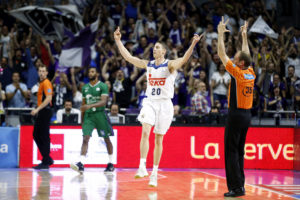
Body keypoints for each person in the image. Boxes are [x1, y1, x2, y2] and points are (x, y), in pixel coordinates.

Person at [114, 26, 202, 187]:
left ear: (163, 52)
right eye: (154, 47)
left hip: (165, 104)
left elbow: (183, 59)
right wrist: (118, 40)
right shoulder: (148, 64)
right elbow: (129, 57)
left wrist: (193, 44)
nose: (154, 49)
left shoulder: (169, 65)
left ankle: (154, 172)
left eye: (157, 47)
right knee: (145, 130)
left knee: (158, 139)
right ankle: (142, 166)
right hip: (150, 102)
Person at [218, 18, 255, 197]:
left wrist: (219, 34)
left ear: (240, 64)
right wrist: (244, 36)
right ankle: (241, 185)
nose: (233, 58)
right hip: (247, 116)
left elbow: (221, 54)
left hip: (235, 114)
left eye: (236, 58)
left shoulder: (238, 74)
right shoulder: (250, 72)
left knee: (231, 151)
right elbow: (246, 54)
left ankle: (235, 187)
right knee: (239, 151)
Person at [70, 67, 115, 174]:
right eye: (89, 72)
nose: (90, 73)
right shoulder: (85, 88)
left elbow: (103, 102)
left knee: (106, 139)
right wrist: (82, 119)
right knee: (85, 138)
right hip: (89, 117)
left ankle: (110, 163)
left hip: (100, 115)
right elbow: (83, 105)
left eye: (93, 71)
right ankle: (81, 163)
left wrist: (89, 106)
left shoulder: (103, 86)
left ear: (97, 74)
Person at [31, 65, 54, 169]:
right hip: (42, 111)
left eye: (43, 71)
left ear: (46, 73)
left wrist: (37, 109)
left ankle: (46, 161)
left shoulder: (46, 83)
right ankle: (47, 159)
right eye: (40, 71)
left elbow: (49, 98)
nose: (41, 73)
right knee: (36, 134)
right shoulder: (41, 83)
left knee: (43, 136)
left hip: (45, 111)